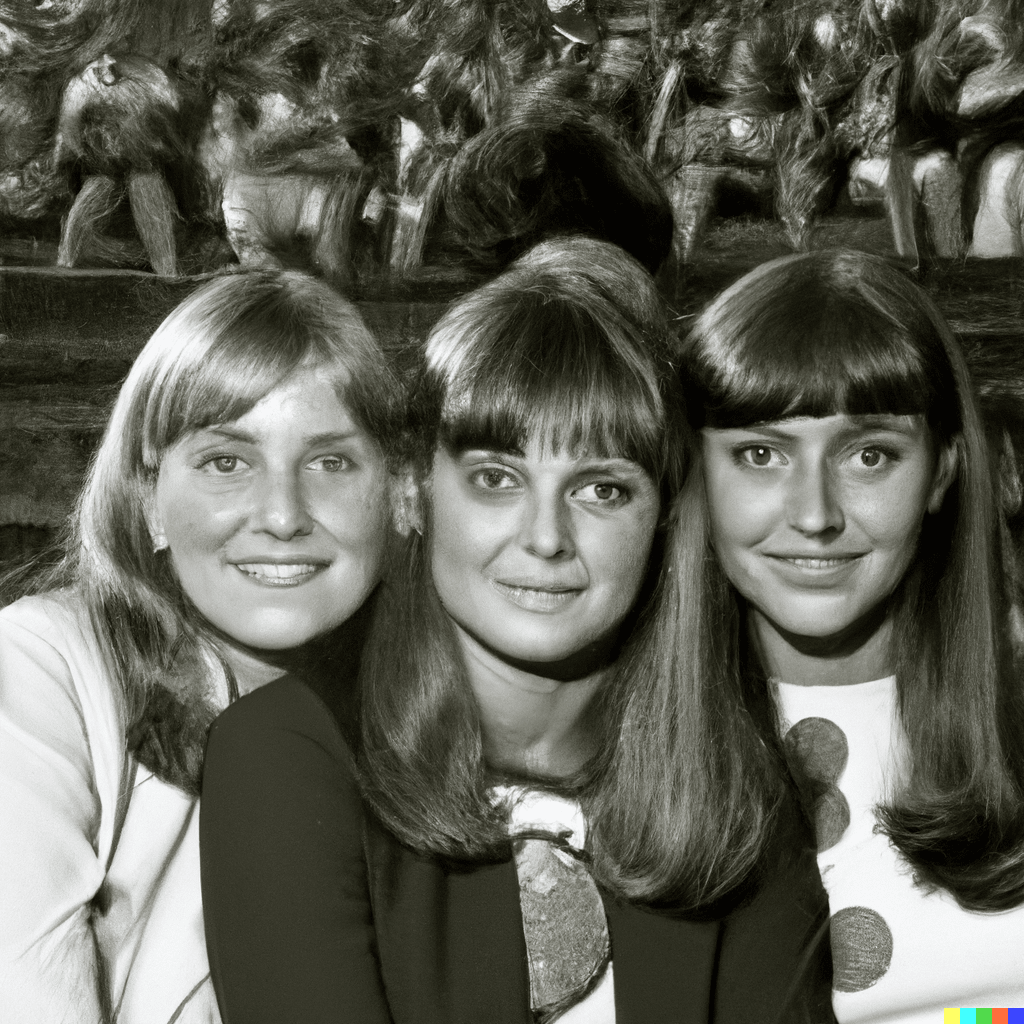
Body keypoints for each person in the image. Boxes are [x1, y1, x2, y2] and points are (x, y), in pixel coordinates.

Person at [200, 237, 833, 1024]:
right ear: (415, 492)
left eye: (601, 489)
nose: (545, 537)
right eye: (497, 479)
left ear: (666, 523)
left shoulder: (732, 784)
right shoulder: (288, 753)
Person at [0, 270, 405, 1024]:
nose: (283, 516)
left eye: (330, 462)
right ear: (149, 499)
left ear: (400, 491)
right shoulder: (40, 672)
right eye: (227, 461)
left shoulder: (433, 712)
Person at [675, 248, 1024, 1021]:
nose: (814, 514)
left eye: (869, 455)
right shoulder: (619, 751)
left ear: (942, 472)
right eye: (760, 455)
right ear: (696, 470)